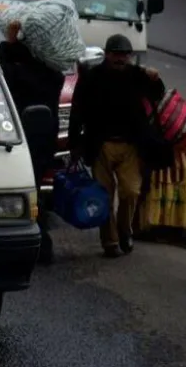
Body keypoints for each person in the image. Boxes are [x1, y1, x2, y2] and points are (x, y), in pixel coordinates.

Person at [68, 34, 165, 258]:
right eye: (116, 54)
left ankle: (124, 231)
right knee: (104, 195)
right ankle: (110, 241)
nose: (120, 59)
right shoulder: (92, 77)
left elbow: (157, 94)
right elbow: (77, 111)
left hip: (130, 146)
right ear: (107, 54)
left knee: (131, 191)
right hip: (100, 145)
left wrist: (155, 78)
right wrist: (75, 144)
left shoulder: (137, 76)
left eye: (124, 55)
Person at [0, 20, 65, 264]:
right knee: (32, 191)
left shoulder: (28, 75)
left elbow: (1, 65)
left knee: (26, 192)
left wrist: (10, 43)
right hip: (44, 140)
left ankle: (38, 245)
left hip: (28, 141)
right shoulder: (54, 74)